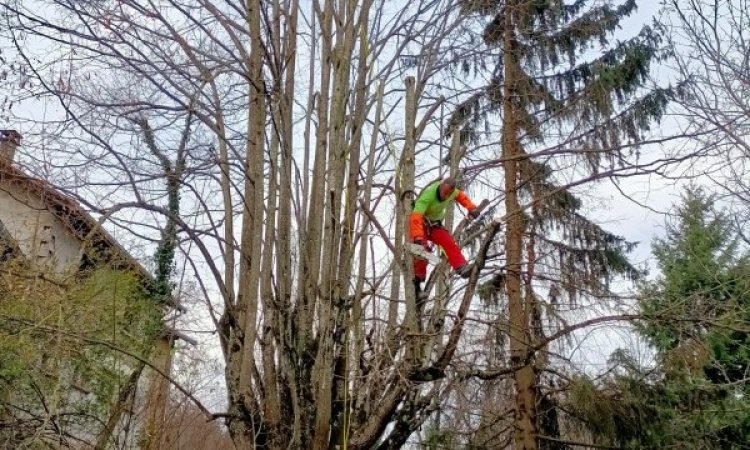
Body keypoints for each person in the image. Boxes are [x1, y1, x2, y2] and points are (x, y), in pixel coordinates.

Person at [409, 177, 481, 296]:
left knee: (449, 243)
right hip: (421, 224)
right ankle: (417, 286)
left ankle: (461, 267)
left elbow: (461, 197)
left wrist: (472, 208)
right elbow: (416, 217)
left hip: (435, 225)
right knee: (422, 251)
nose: (446, 197)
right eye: (445, 193)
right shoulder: (428, 196)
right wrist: (417, 236)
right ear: (441, 186)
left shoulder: (454, 192)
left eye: (449, 194)